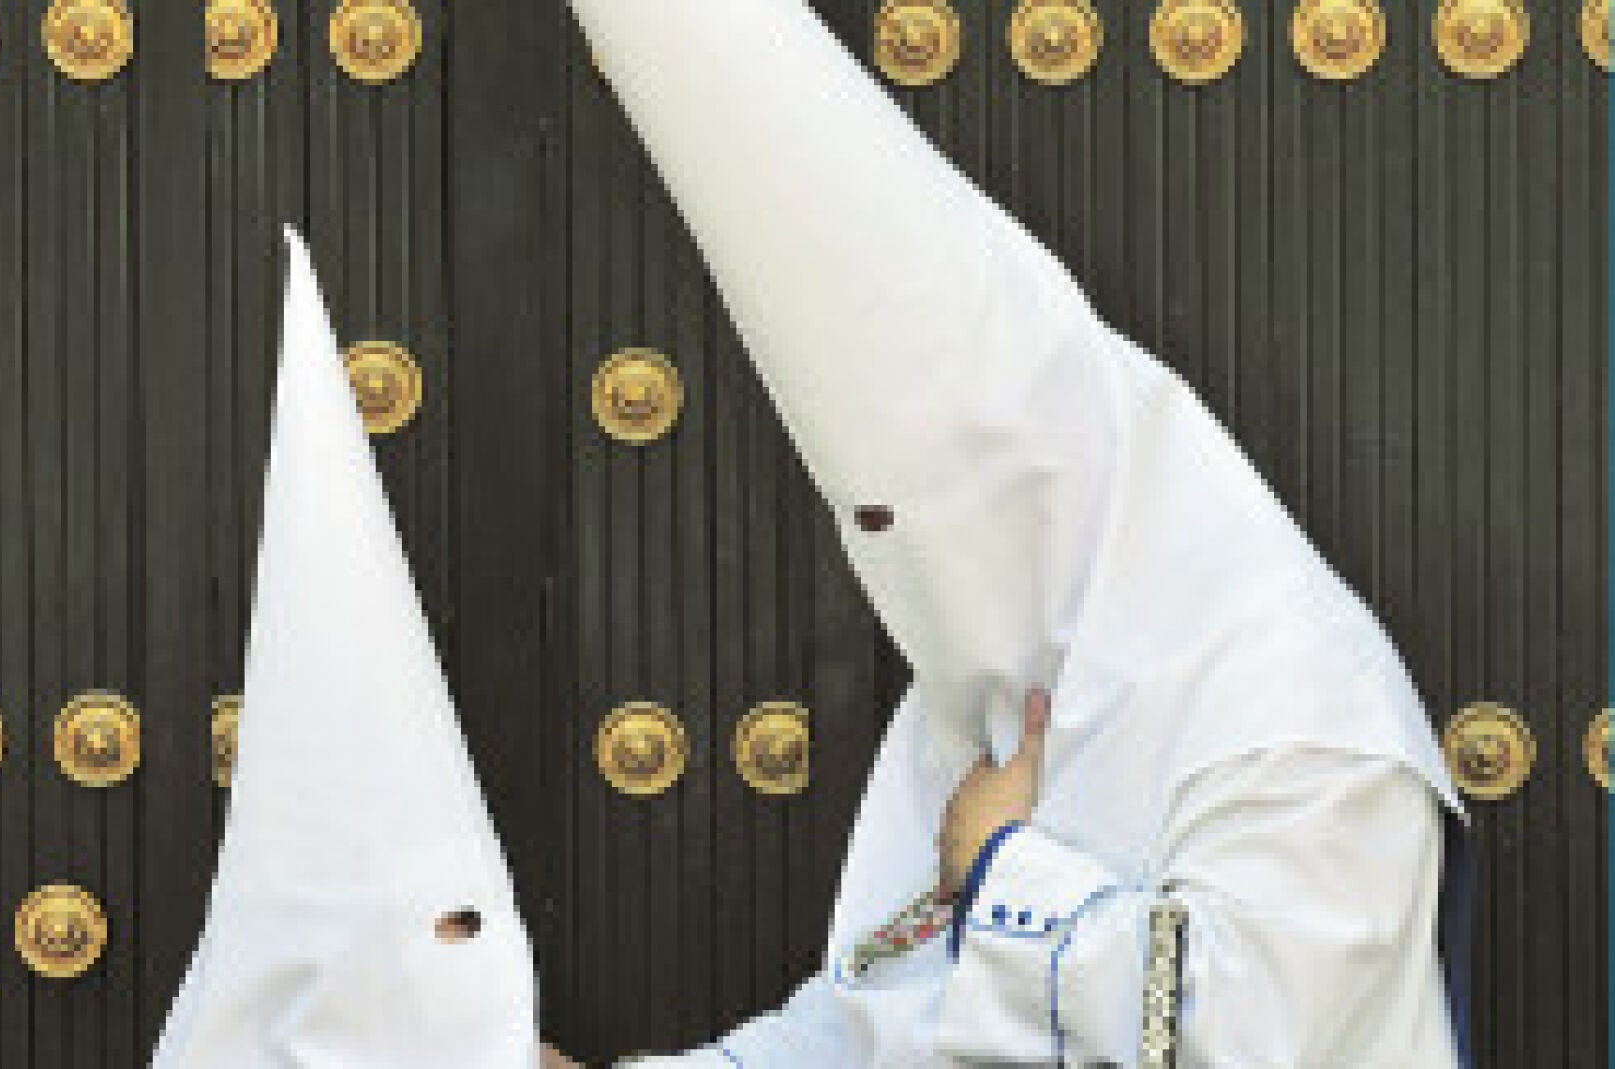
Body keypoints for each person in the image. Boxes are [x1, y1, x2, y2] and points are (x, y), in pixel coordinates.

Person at [545, 0, 1469, 1065]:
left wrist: (1002, 870)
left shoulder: (1294, 717)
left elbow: (1268, 1036)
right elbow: (890, 1022)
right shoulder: (1011, 695)